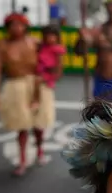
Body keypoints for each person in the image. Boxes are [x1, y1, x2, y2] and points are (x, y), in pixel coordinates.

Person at [0, 13, 40, 176]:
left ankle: (40, 149)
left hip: (36, 85)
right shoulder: (2, 45)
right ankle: (23, 160)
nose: (16, 28)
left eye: (20, 24)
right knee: (22, 126)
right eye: (12, 25)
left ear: (25, 26)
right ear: (8, 27)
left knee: (39, 124)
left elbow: (49, 59)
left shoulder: (35, 42)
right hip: (15, 86)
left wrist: (48, 79)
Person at [34, 25, 66, 165]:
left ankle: (39, 150)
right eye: (47, 35)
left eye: (53, 35)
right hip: (30, 83)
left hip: (45, 87)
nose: (50, 38)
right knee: (26, 121)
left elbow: (58, 73)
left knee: (40, 121)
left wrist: (46, 78)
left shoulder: (57, 51)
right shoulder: (37, 46)